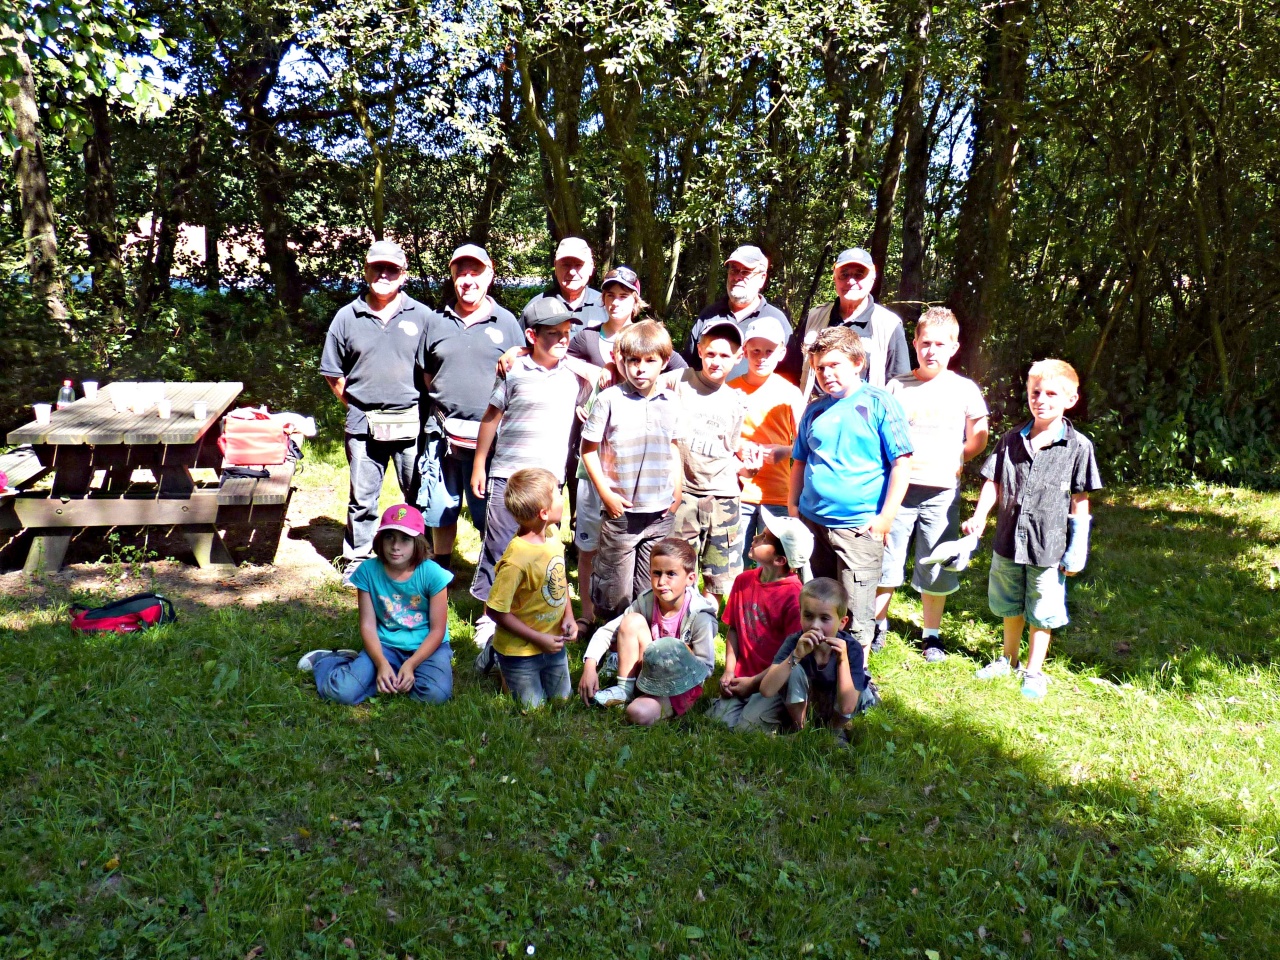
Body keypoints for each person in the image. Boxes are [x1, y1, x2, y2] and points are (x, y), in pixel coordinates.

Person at [468, 298, 598, 673]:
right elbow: (492, 417)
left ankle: (542, 613)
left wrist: (578, 363)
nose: (561, 340)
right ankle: (490, 620)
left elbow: (606, 378)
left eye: (566, 334)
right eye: (552, 334)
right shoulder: (513, 370)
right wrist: (480, 463)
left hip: (548, 483)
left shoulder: (577, 377)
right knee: (500, 546)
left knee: (543, 551)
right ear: (531, 336)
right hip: (507, 477)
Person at [962, 359, 1102, 700]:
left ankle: (1034, 670)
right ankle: (1008, 659)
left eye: (1052, 393)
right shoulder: (1011, 439)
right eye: (1035, 392)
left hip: (1048, 546)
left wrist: (1077, 547)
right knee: (1010, 603)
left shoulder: (1078, 446)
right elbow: (993, 482)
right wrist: (979, 516)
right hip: (1008, 541)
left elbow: (1079, 498)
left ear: (1070, 399)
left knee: (1042, 607)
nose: (1041, 399)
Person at [566, 266, 686, 629]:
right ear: (620, 361)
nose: (640, 369)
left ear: (664, 363)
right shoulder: (609, 400)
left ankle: (641, 644)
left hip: (660, 512)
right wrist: (607, 496)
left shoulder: (670, 401)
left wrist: (677, 489)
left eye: (650, 361)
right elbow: (588, 451)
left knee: (650, 585)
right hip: (621, 513)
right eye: (632, 361)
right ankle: (608, 644)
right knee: (614, 589)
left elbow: (675, 446)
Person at [789, 327, 913, 665]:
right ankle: (817, 669)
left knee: (856, 612)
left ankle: (854, 683)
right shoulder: (815, 410)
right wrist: (793, 507)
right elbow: (800, 460)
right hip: (813, 524)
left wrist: (885, 518)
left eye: (834, 365)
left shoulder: (878, 403)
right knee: (819, 605)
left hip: (859, 528)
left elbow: (902, 462)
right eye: (819, 368)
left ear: (858, 362)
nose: (826, 374)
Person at [874, 307, 990, 661]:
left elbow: (979, 435)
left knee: (935, 559)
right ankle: (878, 625)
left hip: (941, 492)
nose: (932, 351)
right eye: (925, 343)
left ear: (954, 347)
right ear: (915, 344)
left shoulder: (964, 389)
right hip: (899, 490)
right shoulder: (897, 386)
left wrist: (957, 458)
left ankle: (932, 634)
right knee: (886, 560)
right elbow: (882, 432)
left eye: (941, 344)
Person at [320, 241, 433, 582]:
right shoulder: (346, 316)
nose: (384, 275)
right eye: (377, 268)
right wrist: (357, 405)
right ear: (366, 270)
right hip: (362, 425)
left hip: (412, 422)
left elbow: (436, 370)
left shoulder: (423, 316)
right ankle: (358, 558)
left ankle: (419, 558)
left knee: (417, 495)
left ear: (404, 274)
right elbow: (332, 372)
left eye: (392, 269)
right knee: (363, 498)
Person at [416, 243, 524, 569]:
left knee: (485, 508)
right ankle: (442, 567)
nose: (467, 279)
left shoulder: (505, 322)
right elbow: (426, 371)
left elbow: (521, 372)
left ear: (489, 275)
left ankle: (494, 572)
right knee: (440, 505)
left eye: (475, 271)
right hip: (441, 430)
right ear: (452, 276)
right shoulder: (436, 321)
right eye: (461, 272)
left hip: (490, 436)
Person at [297, 504, 452, 705]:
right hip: (385, 645)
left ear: (418, 543)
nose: (396, 546)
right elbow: (367, 625)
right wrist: (381, 663)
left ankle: (393, 673)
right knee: (341, 692)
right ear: (380, 539)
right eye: (390, 537)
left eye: (405, 539)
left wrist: (411, 664)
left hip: (429, 646)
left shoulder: (433, 574)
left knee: (435, 695)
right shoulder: (368, 571)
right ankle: (330, 661)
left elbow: (438, 630)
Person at [578, 538, 717, 725]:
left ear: (690, 578)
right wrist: (589, 665)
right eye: (656, 573)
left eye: (671, 574)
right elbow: (607, 631)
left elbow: (706, 667)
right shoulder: (646, 601)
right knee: (631, 620)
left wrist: (682, 658)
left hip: (680, 686)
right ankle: (624, 689)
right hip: (649, 672)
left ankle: (653, 703)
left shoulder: (700, 615)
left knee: (638, 714)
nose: (661, 582)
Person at [665, 319, 751, 602]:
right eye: (711, 353)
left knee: (718, 575)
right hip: (685, 494)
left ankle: (706, 622)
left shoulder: (736, 400)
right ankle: (677, 622)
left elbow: (733, 446)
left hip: (723, 497)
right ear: (700, 351)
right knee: (677, 565)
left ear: (738, 358)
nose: (717, 361)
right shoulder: (678, 380)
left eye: (725, 356)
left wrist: (748, 463)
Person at [484, 468, 579, 709]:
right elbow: (495, 610)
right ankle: (495, 658)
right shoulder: (517, 560)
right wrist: (539, 639)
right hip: (520, 650)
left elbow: (558, 578)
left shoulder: (553, 534)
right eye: (558, 493)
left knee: (562, 700)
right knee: (533, 709)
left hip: (552, 643)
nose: (563, 497)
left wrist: (569, 615)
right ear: (544, 512)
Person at [708, 513, 810, 731]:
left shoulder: (794, 598)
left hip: (774, 682)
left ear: (780, 560)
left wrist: (753, 683)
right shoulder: (743, 580)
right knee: (719, 722)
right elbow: (734, 629)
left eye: (764, 538)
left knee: (746, 729)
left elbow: (793, 658)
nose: (755, 538)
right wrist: (729, 671)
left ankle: (788, 716)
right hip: (742, 675)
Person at [728, 314, 806, 566]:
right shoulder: (730, 390)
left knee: (774, 563)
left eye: (769, 351)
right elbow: (718, 439)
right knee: (731, 561)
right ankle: (734, 604)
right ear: (744, 351)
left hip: (777, 494)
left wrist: (784, 451)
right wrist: (739, 448)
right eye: (755, 351)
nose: (761, 358)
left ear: (781, 352)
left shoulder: (790, 394)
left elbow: (807, 443)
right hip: (737, 491)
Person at [756, 577, 878, 734]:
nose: (815, 625)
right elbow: (766, 690)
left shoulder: (851, 648)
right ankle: (801, 728)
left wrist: (842, 660)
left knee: (856, 687)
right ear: (800, 614)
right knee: (793, 670)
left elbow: (847, 706)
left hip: (837, 704)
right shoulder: (795, 642)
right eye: (808, 616)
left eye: (824, 618)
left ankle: (833, 731)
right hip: (810, 701)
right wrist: (795, 656)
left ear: (842, 622)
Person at [782, 247, 910, 394]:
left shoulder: (889, 325)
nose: (851, 281)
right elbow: (792, 372)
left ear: (872, 279)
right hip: (815, 412)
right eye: (844, 274)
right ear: (834, 278)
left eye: (859, 274)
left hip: (864, 414)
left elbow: (899, 385)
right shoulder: (815, 317)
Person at [683, 245, 791, 380]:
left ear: (762, 278)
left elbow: (789, 375)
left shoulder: (777, 320)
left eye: (746, 272)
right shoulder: (709, 315)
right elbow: (688, 366)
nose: (737, 277)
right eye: (733, 270)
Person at [520, 236, 608, 334]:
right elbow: (519, 348)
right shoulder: (535, 308)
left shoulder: (606, 305)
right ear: (555, 266)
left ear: (591, 267)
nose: (572, 272)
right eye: (566, 265)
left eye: (578, 265)